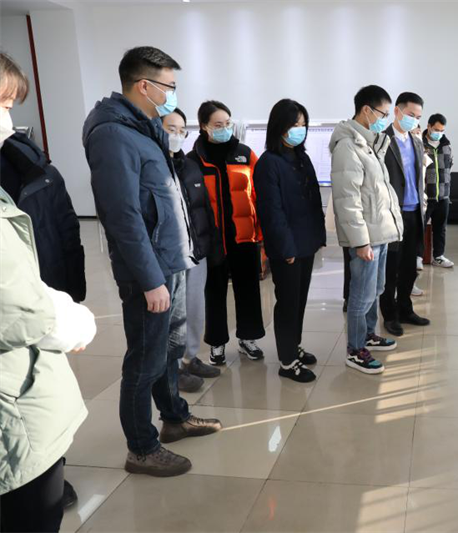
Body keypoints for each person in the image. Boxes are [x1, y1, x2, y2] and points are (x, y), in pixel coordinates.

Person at [83, 46, 222, 477]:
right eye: (169, 86)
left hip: (170, 261)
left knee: (169, 350)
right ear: (145, 86)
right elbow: (122, 216)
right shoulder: (112, 134)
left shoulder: (143, 128)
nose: (173, 94)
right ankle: (141, 448)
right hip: (151, 272)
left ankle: (174, 418)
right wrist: (149, 280)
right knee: (144, 360)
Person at [0, 53, 95, 533]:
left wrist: (68, 293)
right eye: (2, 104)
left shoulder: (26, 157)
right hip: (14, 400)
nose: (8, 118)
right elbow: (14, 301)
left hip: (44, 322)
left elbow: (60, 221)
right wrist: (67, 319)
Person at [329, 85, 402, 374]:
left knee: (375, 289)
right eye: (384, 114)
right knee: (360, 295)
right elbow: (348, 200)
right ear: (366, 110)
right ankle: (355, 349)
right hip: (366, 237)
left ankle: (369, 334)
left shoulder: (369, 144)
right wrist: (360, 242)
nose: (385, 120)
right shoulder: (348, 147)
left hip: (379, 231)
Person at [188, 100, 265, 365]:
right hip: (212, 240)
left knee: (248, 289)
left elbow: (258, 194)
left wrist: (261, 234)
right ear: (204, 126)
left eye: (228, 123)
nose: (224, 129)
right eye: (218, 125)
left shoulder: (244, 154)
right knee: (214, 292)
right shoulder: (193, 161)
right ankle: (217, 342)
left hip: (243, 237)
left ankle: (248, 338)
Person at [254, 98, 325, 383]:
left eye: (303, 124)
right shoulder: (269, 163)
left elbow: (314, 200)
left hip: (306, 242)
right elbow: (272, 212)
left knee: (299, 300)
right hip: (288, 248)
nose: (300, 129)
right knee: (287, 303)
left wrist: (318, 237)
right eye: (295, 124)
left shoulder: (301, 157)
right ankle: (287, 361)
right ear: (280, 126)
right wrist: (286, 248)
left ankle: (293, 346)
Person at [161, 108, 222, 391]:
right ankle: (173, 367)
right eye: (170, 129)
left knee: (196, 308)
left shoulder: (190, 166)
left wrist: (212, 245)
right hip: (171, 256)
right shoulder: (153, 166)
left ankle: (190, 357)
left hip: (196, 251)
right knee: (175, 315)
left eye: (181, 130)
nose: (177, 135)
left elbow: (204, 209)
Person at [379, 92, 429, 337]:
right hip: (392, 215)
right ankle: (389, 315)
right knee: (391, 269)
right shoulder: (381, 140)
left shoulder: (417, 142)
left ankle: (405, 309)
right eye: (411, 115)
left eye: (418, 117)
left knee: (410, 268)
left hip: (414, 213)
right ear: (397, 111)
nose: (414, 120)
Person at [420, 113, 454, 268]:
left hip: (443, 196)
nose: (439, 133)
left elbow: (449, 168)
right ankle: (417, 257)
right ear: (428, 126)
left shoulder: (446, 146)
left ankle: (438, 256)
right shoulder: (419, 144)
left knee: (440, 229)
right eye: (436, 129)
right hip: (425, 196)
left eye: (442, 130)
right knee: (419, 228)